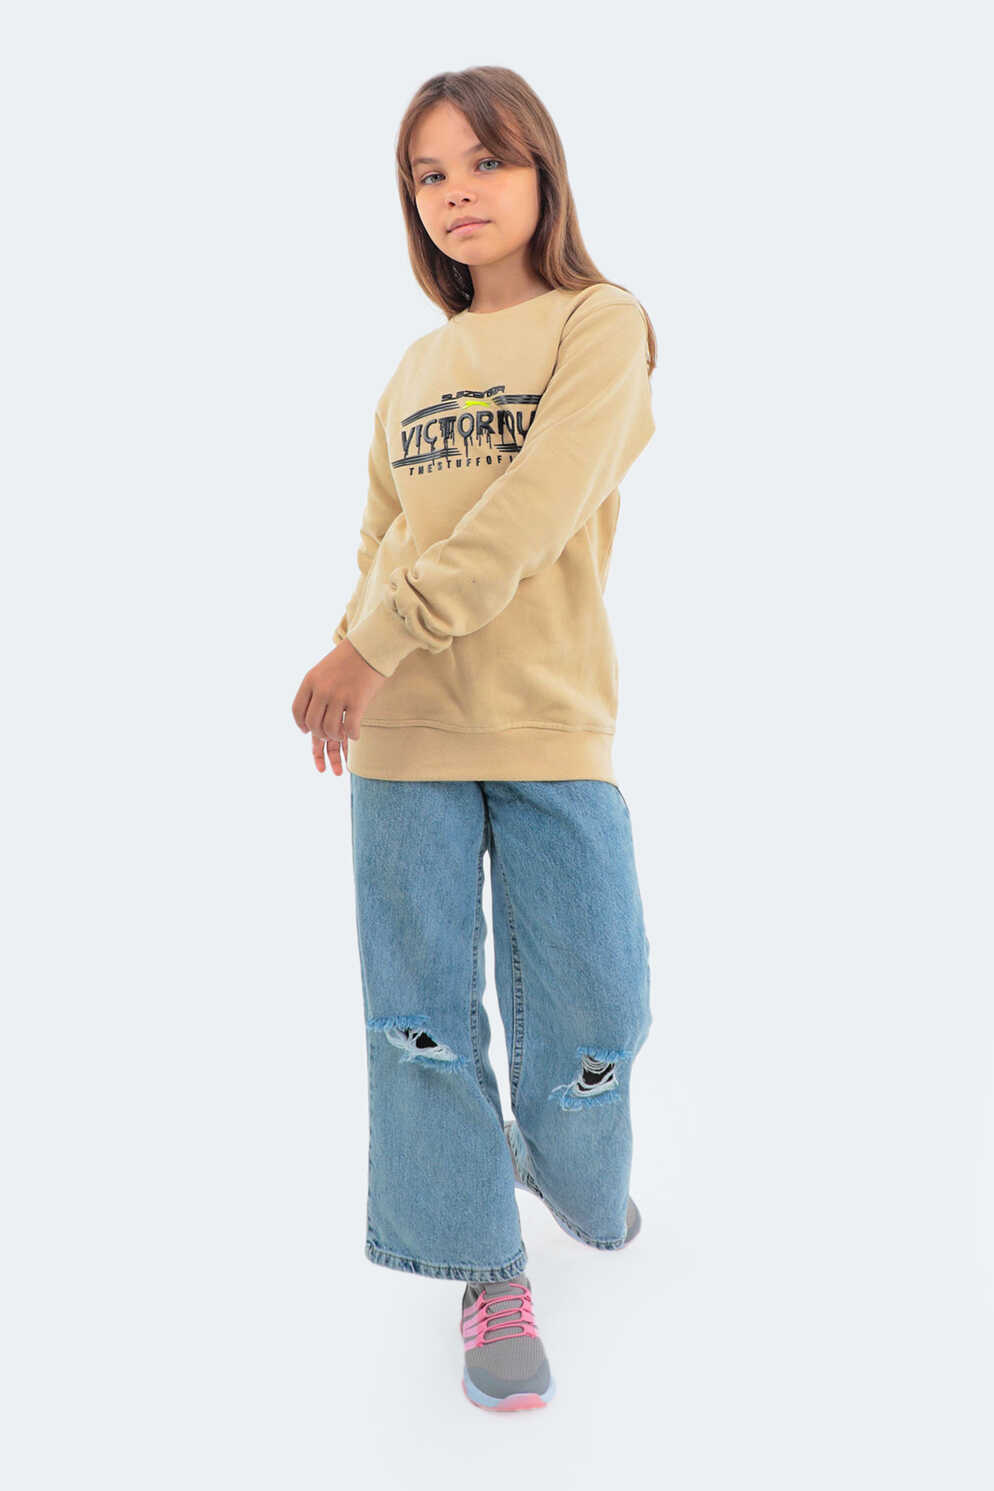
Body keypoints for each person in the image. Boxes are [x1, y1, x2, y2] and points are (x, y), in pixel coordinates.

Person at [291, 65, 658, 1412]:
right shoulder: (413, 368)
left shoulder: (600, 324)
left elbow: (532, 512)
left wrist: (373, 639)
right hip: (403, 732)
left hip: (549, 719)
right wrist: (354, 656)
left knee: (599, 1009)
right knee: (419, 1024)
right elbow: (379, 542)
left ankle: (560, 1170)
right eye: (429, 174)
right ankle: (483, 1264)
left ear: (543, 170)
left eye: (485, 162)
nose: (456, 193)